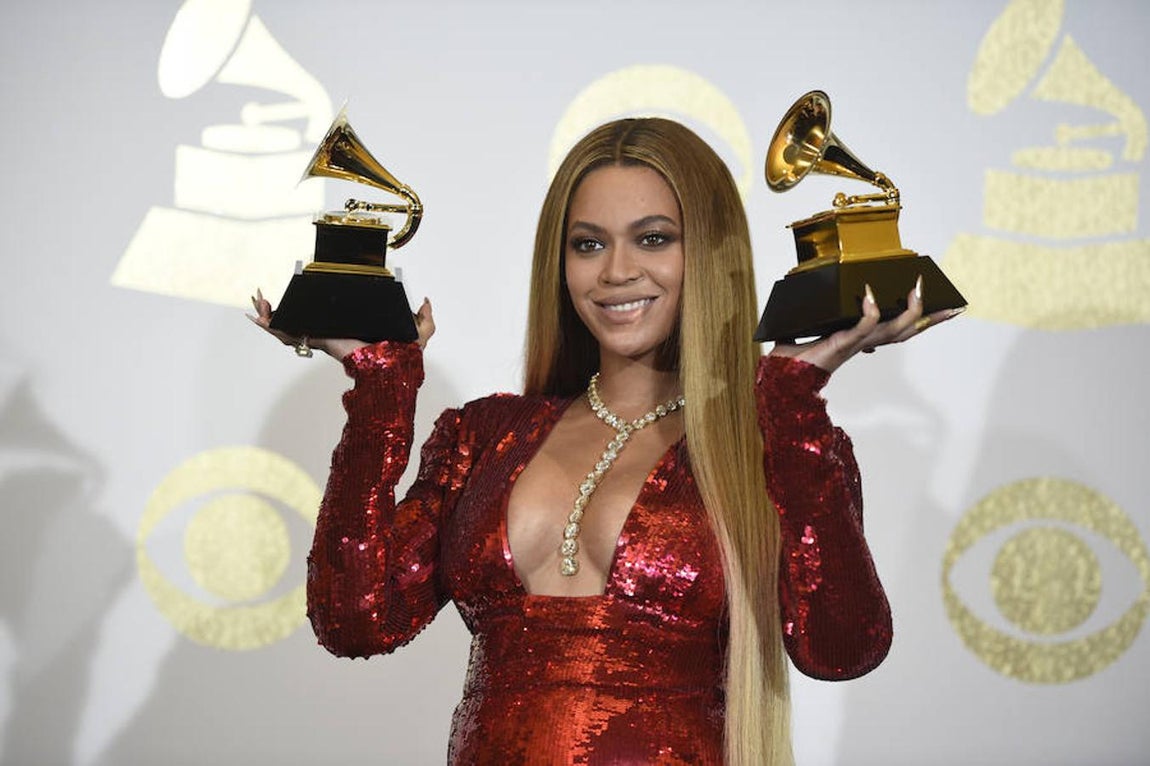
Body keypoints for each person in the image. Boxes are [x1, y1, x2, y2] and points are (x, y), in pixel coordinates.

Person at [251, 117, 960, 765]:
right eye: (588, 244)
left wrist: (791, 404)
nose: (617, 271)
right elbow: (354, 620)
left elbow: (843, 648)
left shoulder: (774, 445)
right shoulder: (482, 436)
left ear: (710, 254)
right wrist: (379, 394)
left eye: (653, 238)